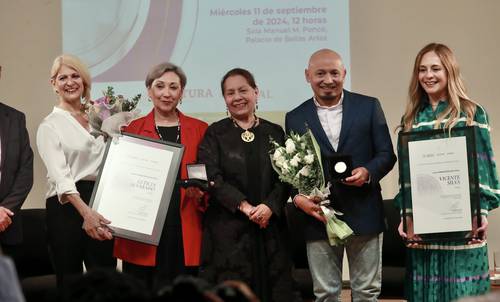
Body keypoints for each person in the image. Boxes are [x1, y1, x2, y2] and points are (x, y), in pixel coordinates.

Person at [286, 49, 396, 301]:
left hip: (364, 210)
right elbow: (292, 170)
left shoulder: (369, 106)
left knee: (367, 293)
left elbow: (386, 154)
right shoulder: (295, 117)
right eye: (320, 73)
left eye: (334, 73)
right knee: (325, 293)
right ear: (307, 76)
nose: (328, 79)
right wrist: (298, 197)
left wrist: (368, 171)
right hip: (319, 216)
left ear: (344, 73)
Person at [394, 43, 500, 301]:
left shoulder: (472, 112)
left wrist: (480, 212)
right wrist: (406, 216)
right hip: (424, 230)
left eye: (435, 68)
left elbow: (483, 168)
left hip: (464, 228)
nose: (428, 75)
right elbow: (407, 178)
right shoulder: (412, 119)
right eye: (422, 70)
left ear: (449, 70)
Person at [197, 68, 294, 302]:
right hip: (227, 231)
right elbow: (211, 176)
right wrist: (245, 207)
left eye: (243, 90)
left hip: (270, 228)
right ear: (224, 99)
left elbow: (287, 176)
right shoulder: (215, 133)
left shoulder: (275, 131)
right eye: (230, 93)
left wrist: (269, 206)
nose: (237, 97)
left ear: (256, 92)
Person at [113, 62, 208, 289]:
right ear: (149, 90)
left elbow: (207, 175)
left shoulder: (200, 129)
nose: (167, 93)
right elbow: (122, 182)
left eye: (173, 87)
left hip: (186, 223)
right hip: (143, 226)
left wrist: (201, 191)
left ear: (182, 92)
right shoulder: (132, 130)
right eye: (160, 86)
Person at [37, 54, 116, 289]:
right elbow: (61, 178)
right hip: (67, 207)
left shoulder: (100, 119)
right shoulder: (49, 125)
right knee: (70, 283)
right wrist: (87, 214)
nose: (70, 82)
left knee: (106, 280)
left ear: (84, 81)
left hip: (101, 200)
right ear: (54, 84)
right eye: (63, 77)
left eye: (75, 76)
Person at [0, 65, 34, 254]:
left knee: (7, 284)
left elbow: (25, 172)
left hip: (7, 225)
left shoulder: (15, 119)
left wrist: (4, 210)